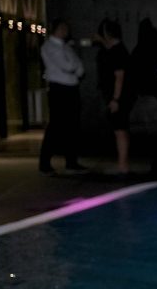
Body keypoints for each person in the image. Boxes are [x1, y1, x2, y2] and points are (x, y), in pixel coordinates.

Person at [38, 19, 88, 175]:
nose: (66, 31)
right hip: (59, 89)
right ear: (56, 29)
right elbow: (68, 66)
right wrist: (75, 67)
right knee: (56, 125)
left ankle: (71, 161)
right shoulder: (49, 46)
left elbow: (79, 67)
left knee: (72, 125)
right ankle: (45, 163)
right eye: (63, 28)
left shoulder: (66, 46)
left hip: (71, 87)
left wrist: (75, 68)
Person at [95, 18, 133, 175]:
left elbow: (119, 77)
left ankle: (123, 165)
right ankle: (122, 163)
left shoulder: (118, 52)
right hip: (119, 96)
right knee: (120, 129)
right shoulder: (116, 50)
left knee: (120, 129)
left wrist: (115, 99)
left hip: (118, 97)